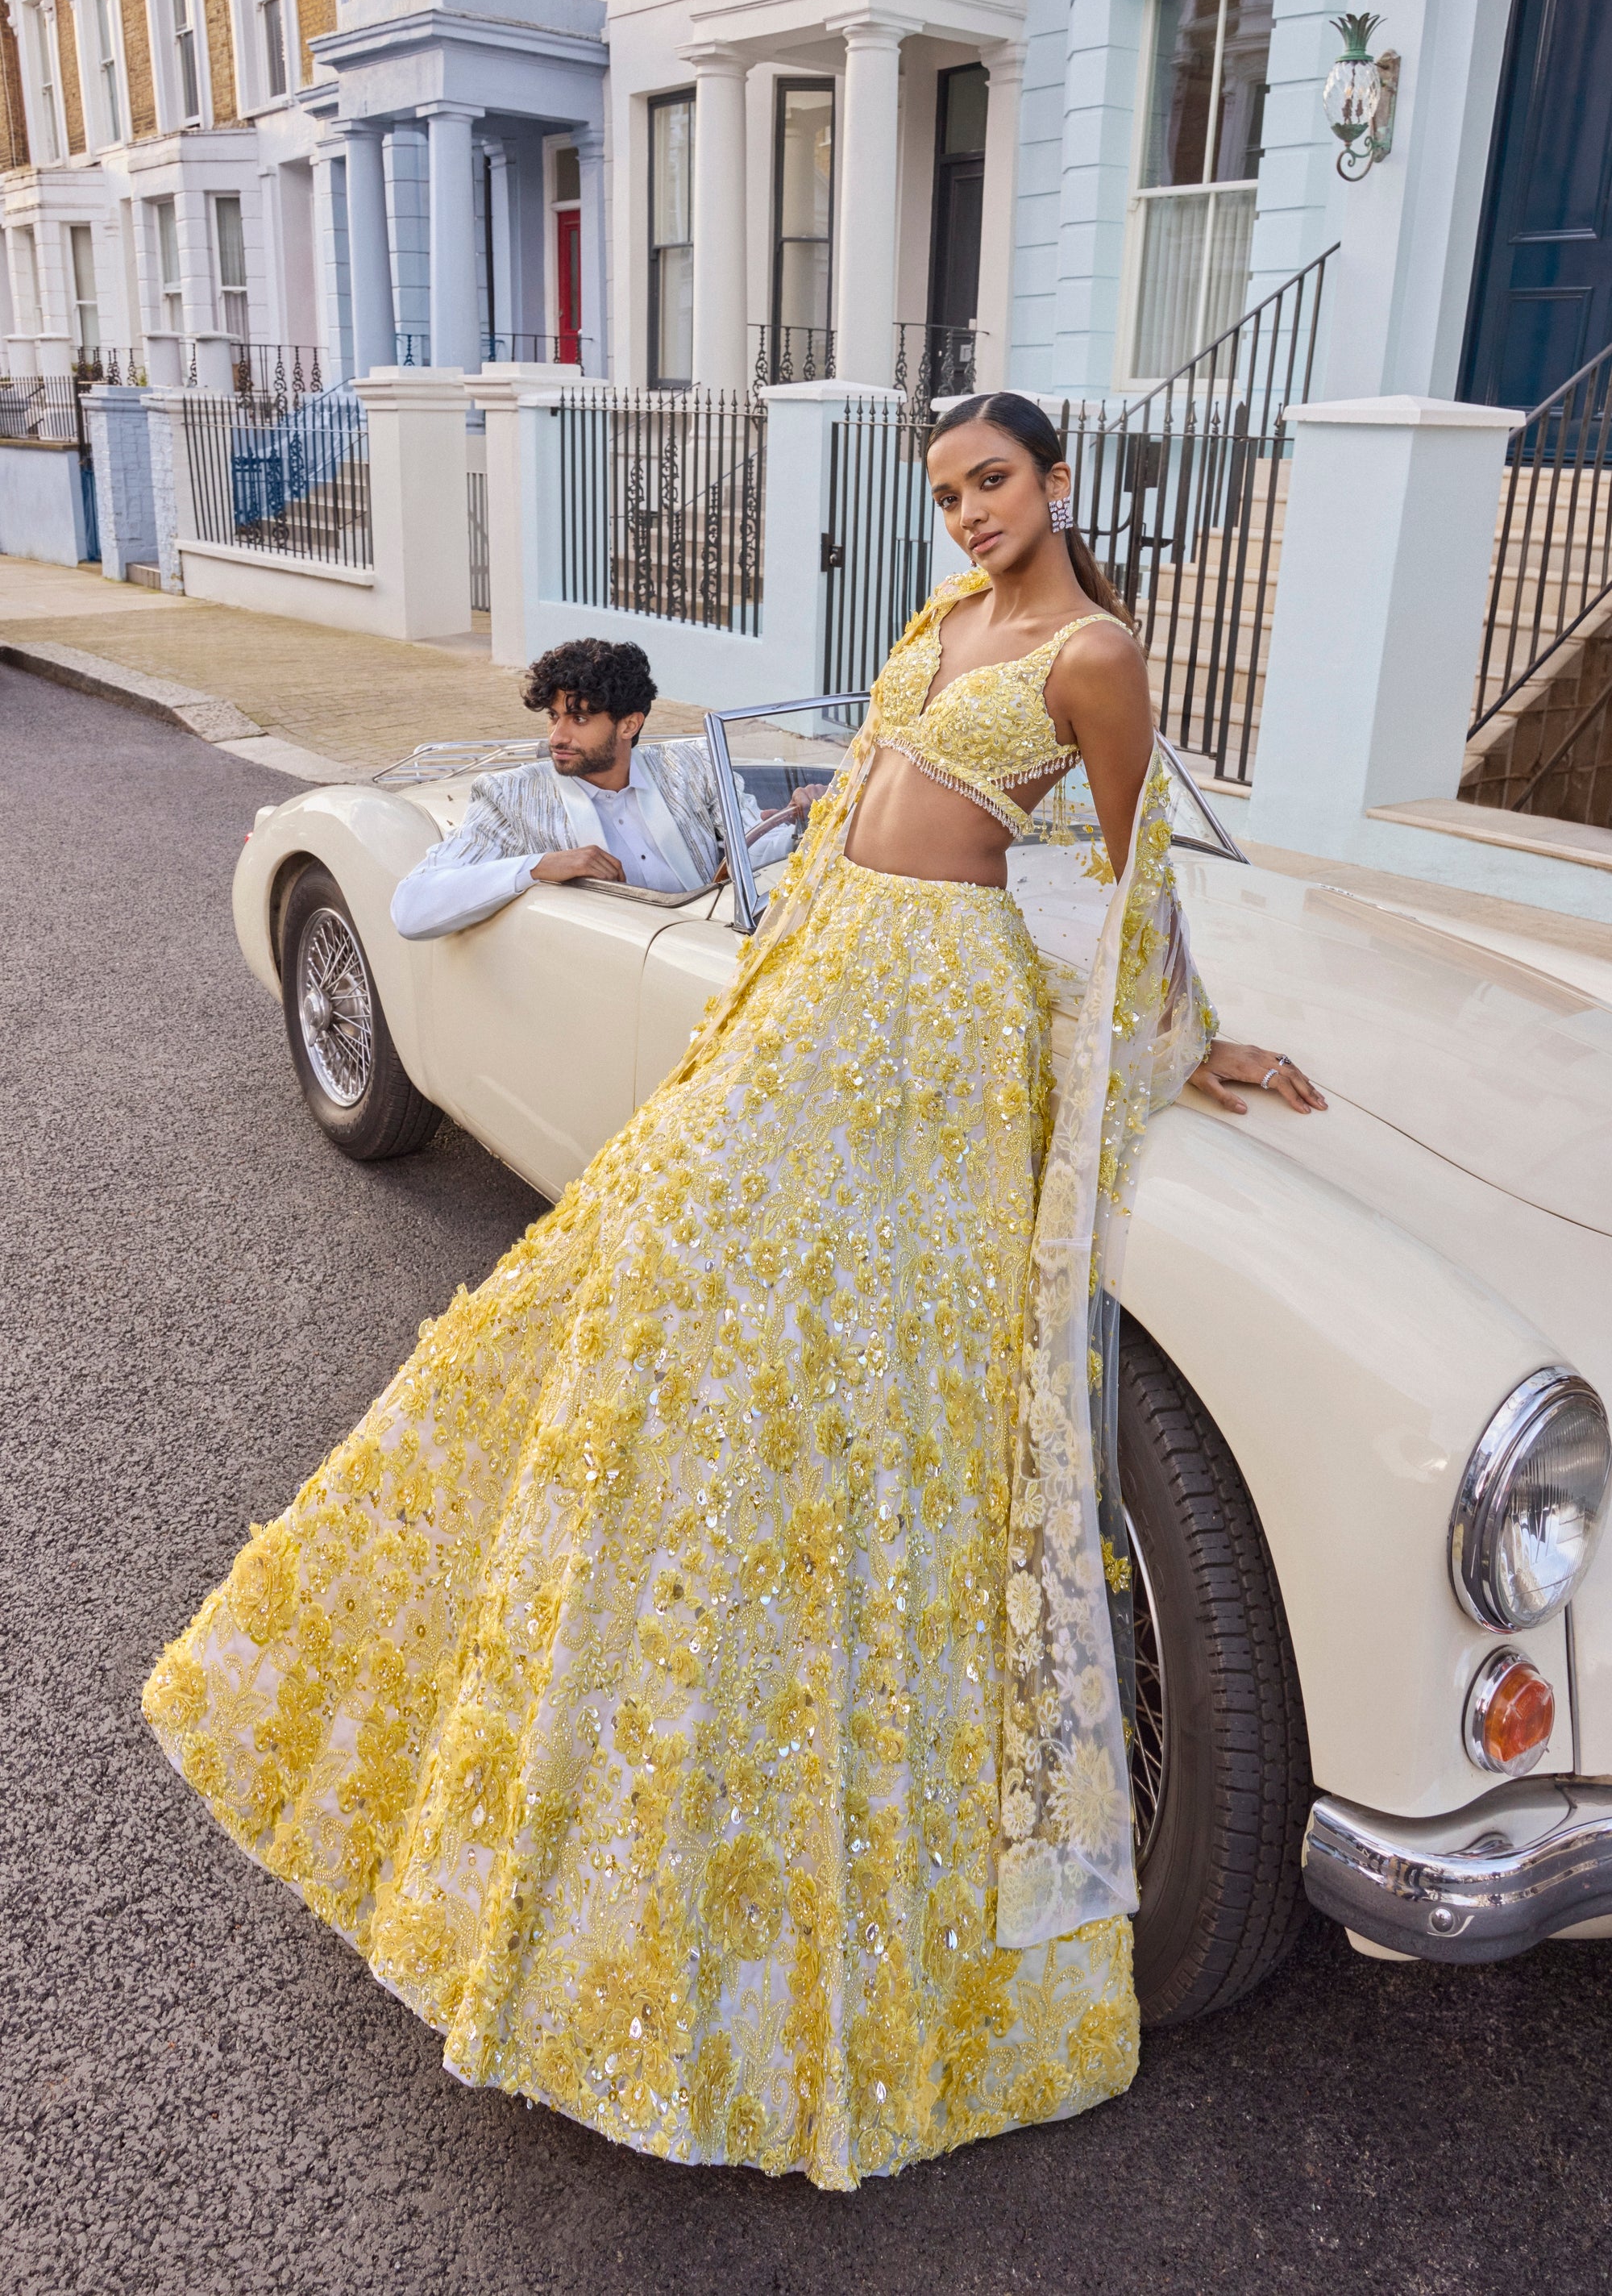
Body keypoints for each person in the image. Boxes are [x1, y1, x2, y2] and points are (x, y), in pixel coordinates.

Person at [143, 392, 1323, 2190]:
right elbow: (849, 798)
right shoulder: (946, 618)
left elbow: (1125, 867)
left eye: (992, 481)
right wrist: (766, 931)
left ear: (1057, 480)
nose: (968, 512)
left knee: (869, 1376)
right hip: (821, 971)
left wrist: (1191, 1036)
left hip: (936, 1010)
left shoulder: (1096, 652)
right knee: (641, 1273)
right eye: (947, 490)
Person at [389, 636, 805, 940]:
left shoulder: (693, 764)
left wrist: (805, 820)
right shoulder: (509, 796)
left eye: (579, 719)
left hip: (709, 948)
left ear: (629, 724)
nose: (557, 736)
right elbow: (411, 909)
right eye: (553, 716)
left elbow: (750, 849)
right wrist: (537, 867)